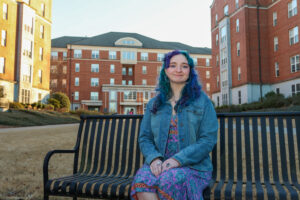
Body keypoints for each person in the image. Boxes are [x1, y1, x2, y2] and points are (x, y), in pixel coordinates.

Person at [130, 50, 218, 200]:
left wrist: (178, 160)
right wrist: (154, 159)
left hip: (193, 166)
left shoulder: (203, 101)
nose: (178, 70)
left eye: (184, 66)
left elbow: (207, 140)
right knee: (142, 179)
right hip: (160, 163)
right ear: (166, 70)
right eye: (173, 65)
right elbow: (145, 138)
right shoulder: (154, 104)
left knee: (169, 180)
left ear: (190, 71)